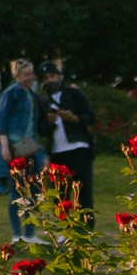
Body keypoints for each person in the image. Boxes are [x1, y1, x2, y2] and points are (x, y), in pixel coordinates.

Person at [0, 58, 46, 239]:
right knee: (18, 189)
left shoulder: (31, 94)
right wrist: (5, 147)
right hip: (16, 144)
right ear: (17, 75)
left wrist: (41, 151)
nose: (31, 78)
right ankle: (17, 234)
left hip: (30, 144)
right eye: (26, 75)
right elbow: (2, 122)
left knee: (35, 189)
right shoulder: (11, 93)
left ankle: (30, 234)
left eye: (32, 74)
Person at [44, 67, 96, 220]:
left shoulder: (73, 94)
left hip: (79, 148)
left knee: (83, 193)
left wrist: (74, 118)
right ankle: (63, 228)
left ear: (59, 76)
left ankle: (85, 228)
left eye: (52, 76)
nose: (49, 80)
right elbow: (41, 128)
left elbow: (90, 117)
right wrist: (48, 122)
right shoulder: (43, 100)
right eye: (46, 78)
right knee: (59, 194)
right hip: (57, 152)